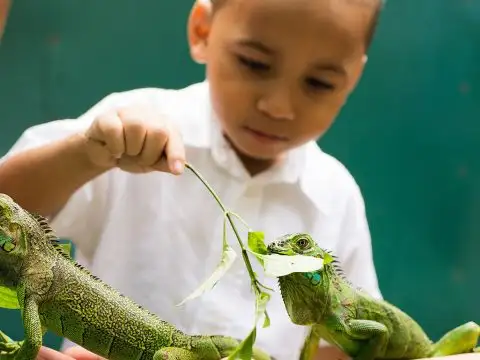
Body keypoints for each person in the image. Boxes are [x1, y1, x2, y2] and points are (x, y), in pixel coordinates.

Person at [0, 0, 385, 359]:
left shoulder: (337, 197)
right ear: (202, 31)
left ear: (354, 78)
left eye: (318, 82)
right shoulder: (127, 127)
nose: (278, 107)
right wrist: (85, 155)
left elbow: (341, 341)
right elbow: (8, 207)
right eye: (254, 63)